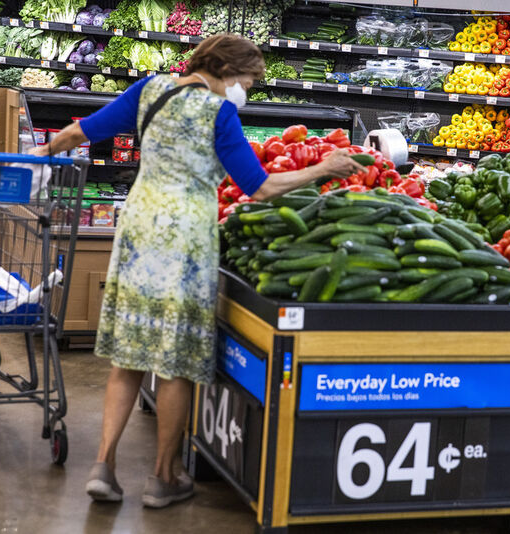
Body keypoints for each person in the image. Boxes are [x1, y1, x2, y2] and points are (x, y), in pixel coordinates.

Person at [29, 34, 363, 509]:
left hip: (138, 230)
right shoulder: (219, 112)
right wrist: (321, 169)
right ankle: (163, 476)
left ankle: (103, 465)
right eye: (249, 79)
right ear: (229, 70)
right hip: (186, 240)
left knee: (129, 355)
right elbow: (260, 187)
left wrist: (41, 158)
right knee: (176, 363)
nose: (246, 88)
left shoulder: (150, 90)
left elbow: (80, 132)